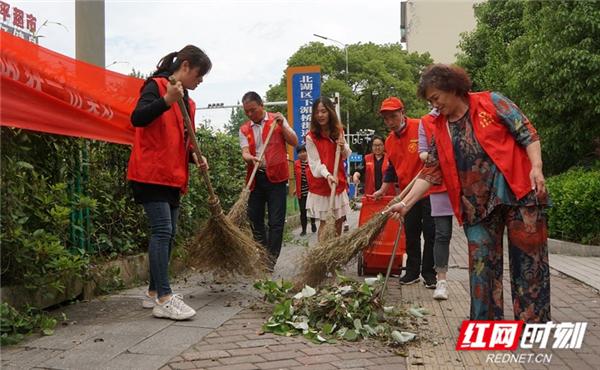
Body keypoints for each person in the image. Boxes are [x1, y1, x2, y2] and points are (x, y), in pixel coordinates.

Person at [388, 64, 550, 322]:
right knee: (482, 267)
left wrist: (537, 168)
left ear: (451, 88)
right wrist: (405, 204)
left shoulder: (491, 101)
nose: (434, 105)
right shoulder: (439, 127)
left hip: (519, 192)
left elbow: (527, 133)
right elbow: (431, 171)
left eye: (435, 98)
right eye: (430, 100)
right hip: (475, 206)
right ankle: (486, 324)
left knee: (528, 263)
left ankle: (533, 324)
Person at [128, 45, 211, 320]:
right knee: (162, 230)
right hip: (150, 173)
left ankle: (153, 292)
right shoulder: (156, 86)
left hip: (173, 176)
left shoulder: (187, 101)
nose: (200, 81)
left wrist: (194, 157)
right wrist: (165, 100)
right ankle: (164, 297)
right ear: (185, 66)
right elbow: (138, 118)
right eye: (200, 74)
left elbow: (180, 140)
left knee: (170, 231)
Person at [373, 97, 436, 289]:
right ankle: (412, 271)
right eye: (386, 118)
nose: (390, 121)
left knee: (431, 233)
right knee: (411, 232)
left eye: (393, 116)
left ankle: (430, 273)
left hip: (430, 188)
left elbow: (435, 146)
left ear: (402, 112)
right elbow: (391, 168)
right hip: (408, 194)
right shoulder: (389, 141)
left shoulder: (420, 126)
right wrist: (383, 189)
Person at [239, 92, 298, 268]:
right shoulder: (244, 129)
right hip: (255, 178)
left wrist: (283, 126)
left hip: (277, 178)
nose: (250, 114)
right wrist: (249, 157)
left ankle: (270, 259)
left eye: (253, 110)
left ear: (261, 105)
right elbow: (244, 152)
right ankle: (264, 251)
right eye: (246, 111)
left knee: (276, 221)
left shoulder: (277, 121)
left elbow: (294, 141)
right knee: (254, 218)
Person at [305, 96, 351, 242]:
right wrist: (328, 175)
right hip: (322, 185)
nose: (320, 115)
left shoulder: (338, 130)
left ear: (330, 112)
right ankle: (322, 256)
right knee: (325, 223)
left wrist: (343, 146)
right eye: (317, 112)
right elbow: (315, 164)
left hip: (338, 182)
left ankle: (334, 255)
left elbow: (346, 155)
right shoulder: (311, 137)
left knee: (339, 221)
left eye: (324, 111)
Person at [419, 110, 454, 300]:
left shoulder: (461, 113)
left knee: (474, 233)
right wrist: (437, 156)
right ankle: (441, 281)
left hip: (465, 182)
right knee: (442, 233)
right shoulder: (426, 121)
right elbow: (422, 152)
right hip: (439, 183)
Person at [294, 145, 317, 236]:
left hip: (311, 191)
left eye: (304, 151)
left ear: (307, 152)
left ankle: (313, 223)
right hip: (301, 191)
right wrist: (295, 188)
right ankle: (303, 229)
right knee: (302, 211)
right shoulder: (296, 164)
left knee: (311, 209)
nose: (302, 154)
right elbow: (296, 177)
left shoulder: (311, 163)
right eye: (300, 152)